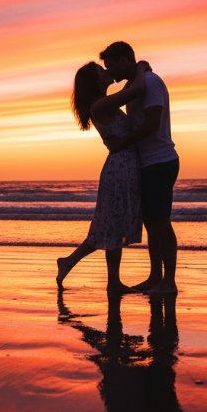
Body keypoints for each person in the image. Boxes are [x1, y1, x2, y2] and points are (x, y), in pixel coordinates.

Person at [57, 60, 148, 292]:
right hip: (119, 168)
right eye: (101, 70)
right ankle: (108, 280)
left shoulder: (105, 103)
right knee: (110, 225)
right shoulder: (100, 106)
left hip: (124, 165)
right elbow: (136, 90)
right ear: (96, 80)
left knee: (111, 226)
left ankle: (104, 278)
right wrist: (140, 68)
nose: (107, 71)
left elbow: (129, 91)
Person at [100, 41, 180, 295]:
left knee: (161, 223)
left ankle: (169, 281)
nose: (109, 71)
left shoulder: (152, 82)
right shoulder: (134, 85)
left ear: (125, 59)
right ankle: (155, 276)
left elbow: (152, 124)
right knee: (152, 223)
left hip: (160, 160)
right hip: (146, 163)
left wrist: (123, 143)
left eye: (110, 64)